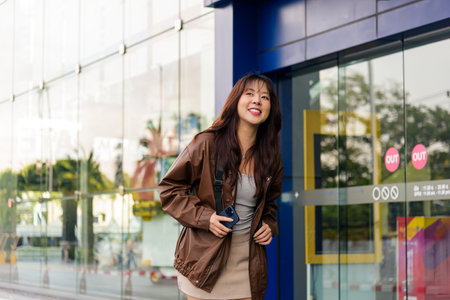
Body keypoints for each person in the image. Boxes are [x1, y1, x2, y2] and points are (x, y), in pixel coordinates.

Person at [158, 73, 283, 300]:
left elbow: (271, 204)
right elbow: (169, 189)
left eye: (265, 97)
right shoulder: (207, 143)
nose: (257, 100)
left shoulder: (271, 157)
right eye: (250, 94)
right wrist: (207, 218)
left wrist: (269, 224)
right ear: (235, 100)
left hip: (247, 266)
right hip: (204, 262)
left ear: (270, 108)